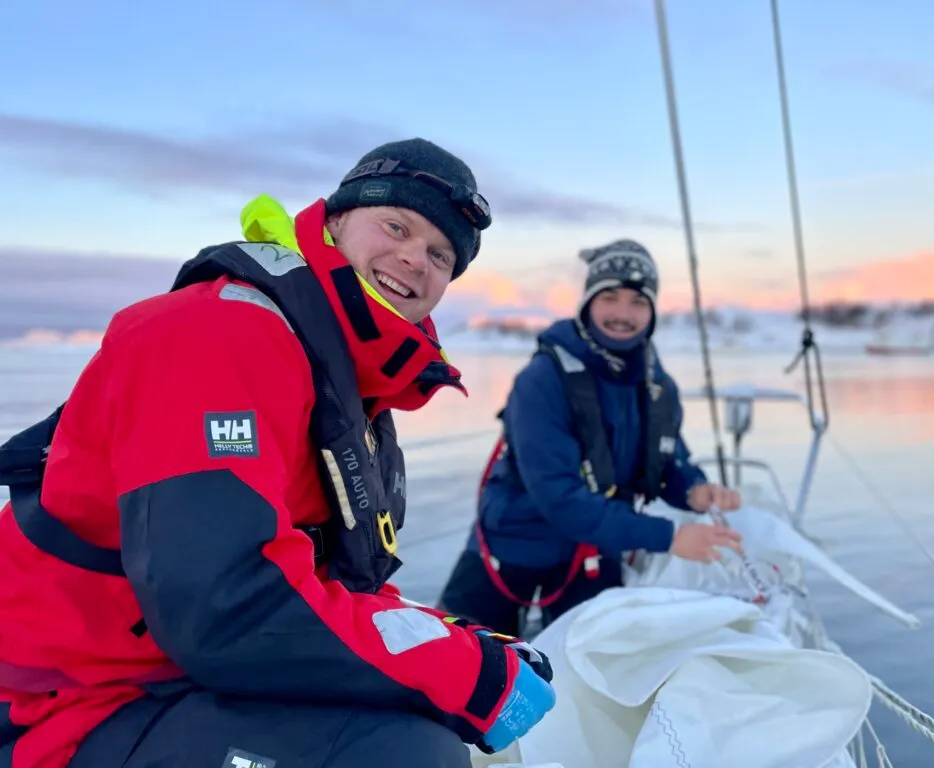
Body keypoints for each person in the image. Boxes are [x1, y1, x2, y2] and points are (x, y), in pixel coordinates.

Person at [0, 138, 556, 768]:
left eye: (440, 254)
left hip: (171, 675)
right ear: (336, 221)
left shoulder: (349, 382)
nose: (414, 259)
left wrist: (455, 640)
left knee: (418, 710)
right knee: (403, 754)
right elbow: (226, 606)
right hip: (62, 704)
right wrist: (466, 675)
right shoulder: (216, 334)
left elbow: (322, 581)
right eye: (396, 225)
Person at [437, 239, 745, 637]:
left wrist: (696, 492)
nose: (623, 313)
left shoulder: (659, 387)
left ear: (652, 311)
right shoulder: (542, 381)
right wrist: (668, 537)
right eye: (610, 297)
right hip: (513, 548)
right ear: (587, 304)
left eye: (638, 301)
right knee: (453, 675)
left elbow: (668, 466)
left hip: (595, 553)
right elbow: (559, 497)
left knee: (600, 672)